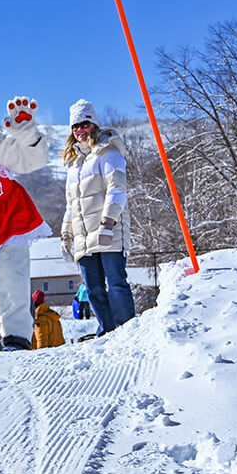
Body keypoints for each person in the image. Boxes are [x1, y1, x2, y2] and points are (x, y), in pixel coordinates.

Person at [61, 99, 134, 336]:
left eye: (84, 124)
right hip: (84, 236)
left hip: (107, 230)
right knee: (93, 289)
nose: (80, 130)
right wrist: (66, 233)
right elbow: (71, 204)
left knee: (116, 283)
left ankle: (126, 330)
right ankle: (108, 331)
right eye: (75, 127)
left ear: (93, 124)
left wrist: (108, 222)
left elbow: (117, 189)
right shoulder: (74, 164)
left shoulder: (108, 152)